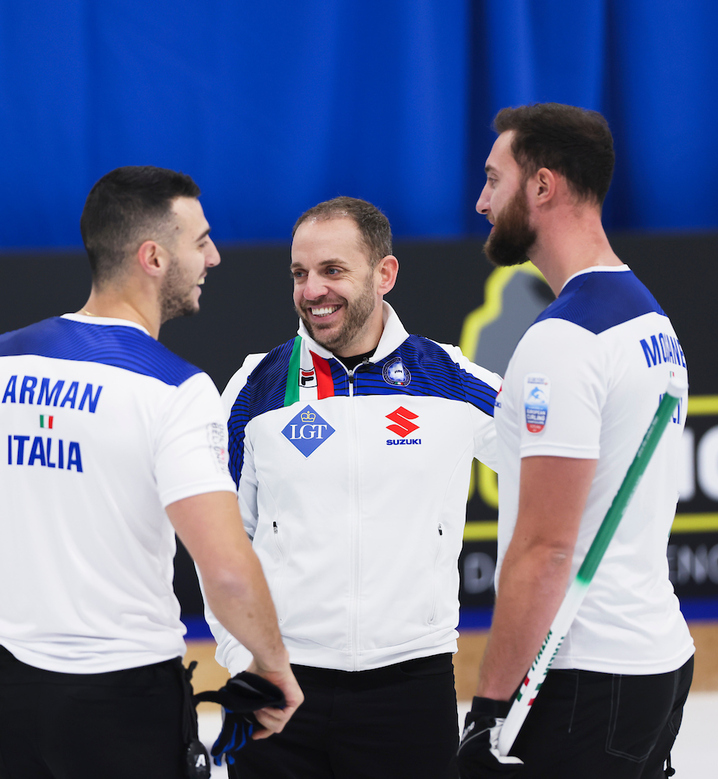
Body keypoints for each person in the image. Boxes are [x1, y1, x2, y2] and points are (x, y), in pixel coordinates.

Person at [0, 165, 302, 778]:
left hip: (14, 696)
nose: (213, 256)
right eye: (200, 240)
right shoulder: (176, 389)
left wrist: (41, 634)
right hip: (126, 706)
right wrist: (273, 669)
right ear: (153, 256)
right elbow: (226, 568)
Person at [207, 196, 501, 778]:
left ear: (384, 274)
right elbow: (218, 538)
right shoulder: (256, 385)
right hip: (277, 684)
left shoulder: (448, 378)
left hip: (412, 689)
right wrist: (245, 657)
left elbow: (555, 464)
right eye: (299, 273)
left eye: (333, 270)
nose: (311, 290)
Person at [458, 103, 694, 778]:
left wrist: (487, 711)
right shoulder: (650, 318)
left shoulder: (564, 340)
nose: (480, 201)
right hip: (654, 660)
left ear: (542, 186)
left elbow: (545, 548)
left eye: (493, 179)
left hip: (584, 675)